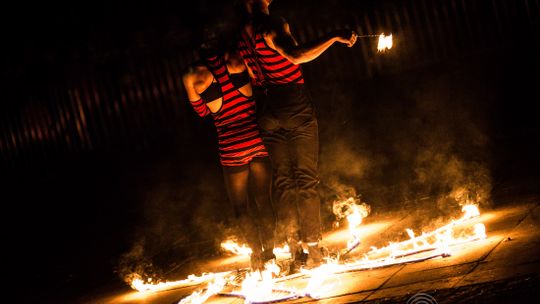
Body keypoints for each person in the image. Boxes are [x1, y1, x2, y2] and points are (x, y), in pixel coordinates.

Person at [235, 0, 357, 270]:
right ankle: (313, 251)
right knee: (305, 179)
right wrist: (334, 36)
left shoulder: (241, 32)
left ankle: (294, 251)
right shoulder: (272, 24)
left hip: (266, 108)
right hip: (292, 102)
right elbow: (297, 55)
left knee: (284, 182)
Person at [182, 32, 276, 272]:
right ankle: (270, 254)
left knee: (241, 207)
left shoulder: (193, 75)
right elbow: (258, 83)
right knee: (264, 200)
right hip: (256, 138)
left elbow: (202, 112)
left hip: (231, 146)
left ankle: (256, 257)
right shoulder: (237, 58)